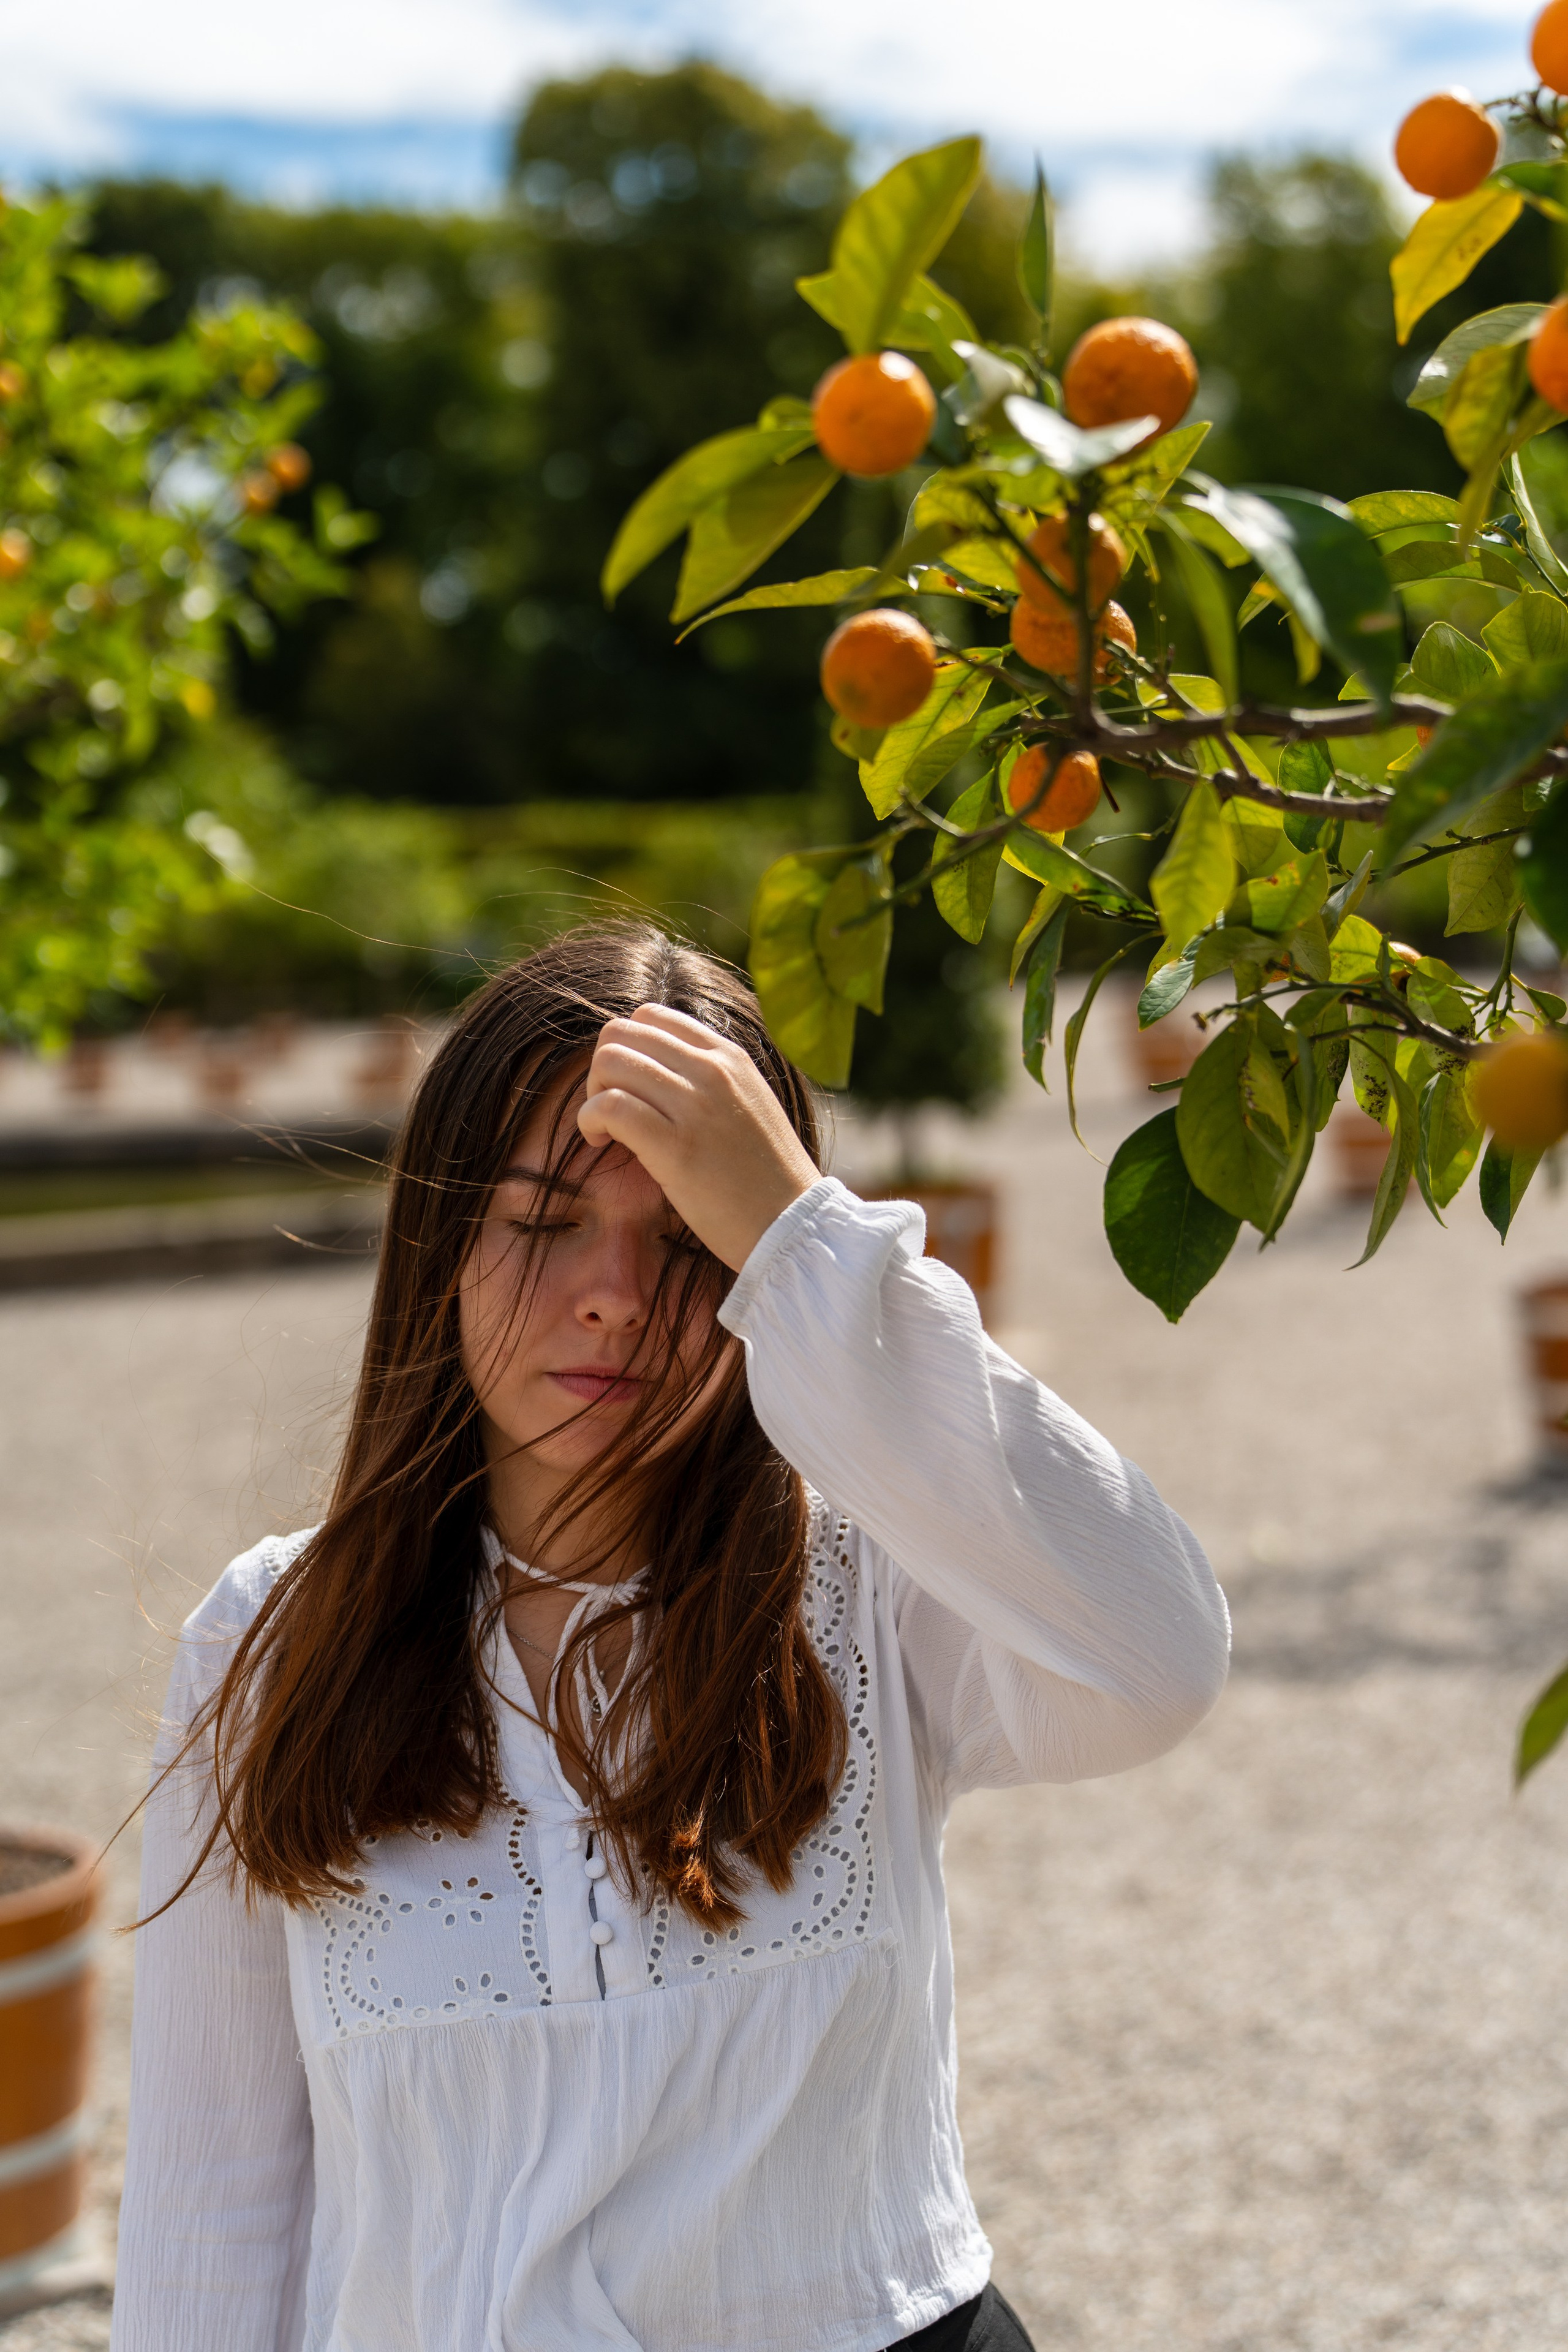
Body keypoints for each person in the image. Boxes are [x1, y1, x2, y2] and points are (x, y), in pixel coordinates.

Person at [111, 922, 1229, 2352]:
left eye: (690, 1242)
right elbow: (213, 2203)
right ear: (440, 1245)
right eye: (539, 1221)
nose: (616, 1298)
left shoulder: (872, 1590)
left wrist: (804, 1237)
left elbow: (1160, 1658)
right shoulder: (270, 1639)